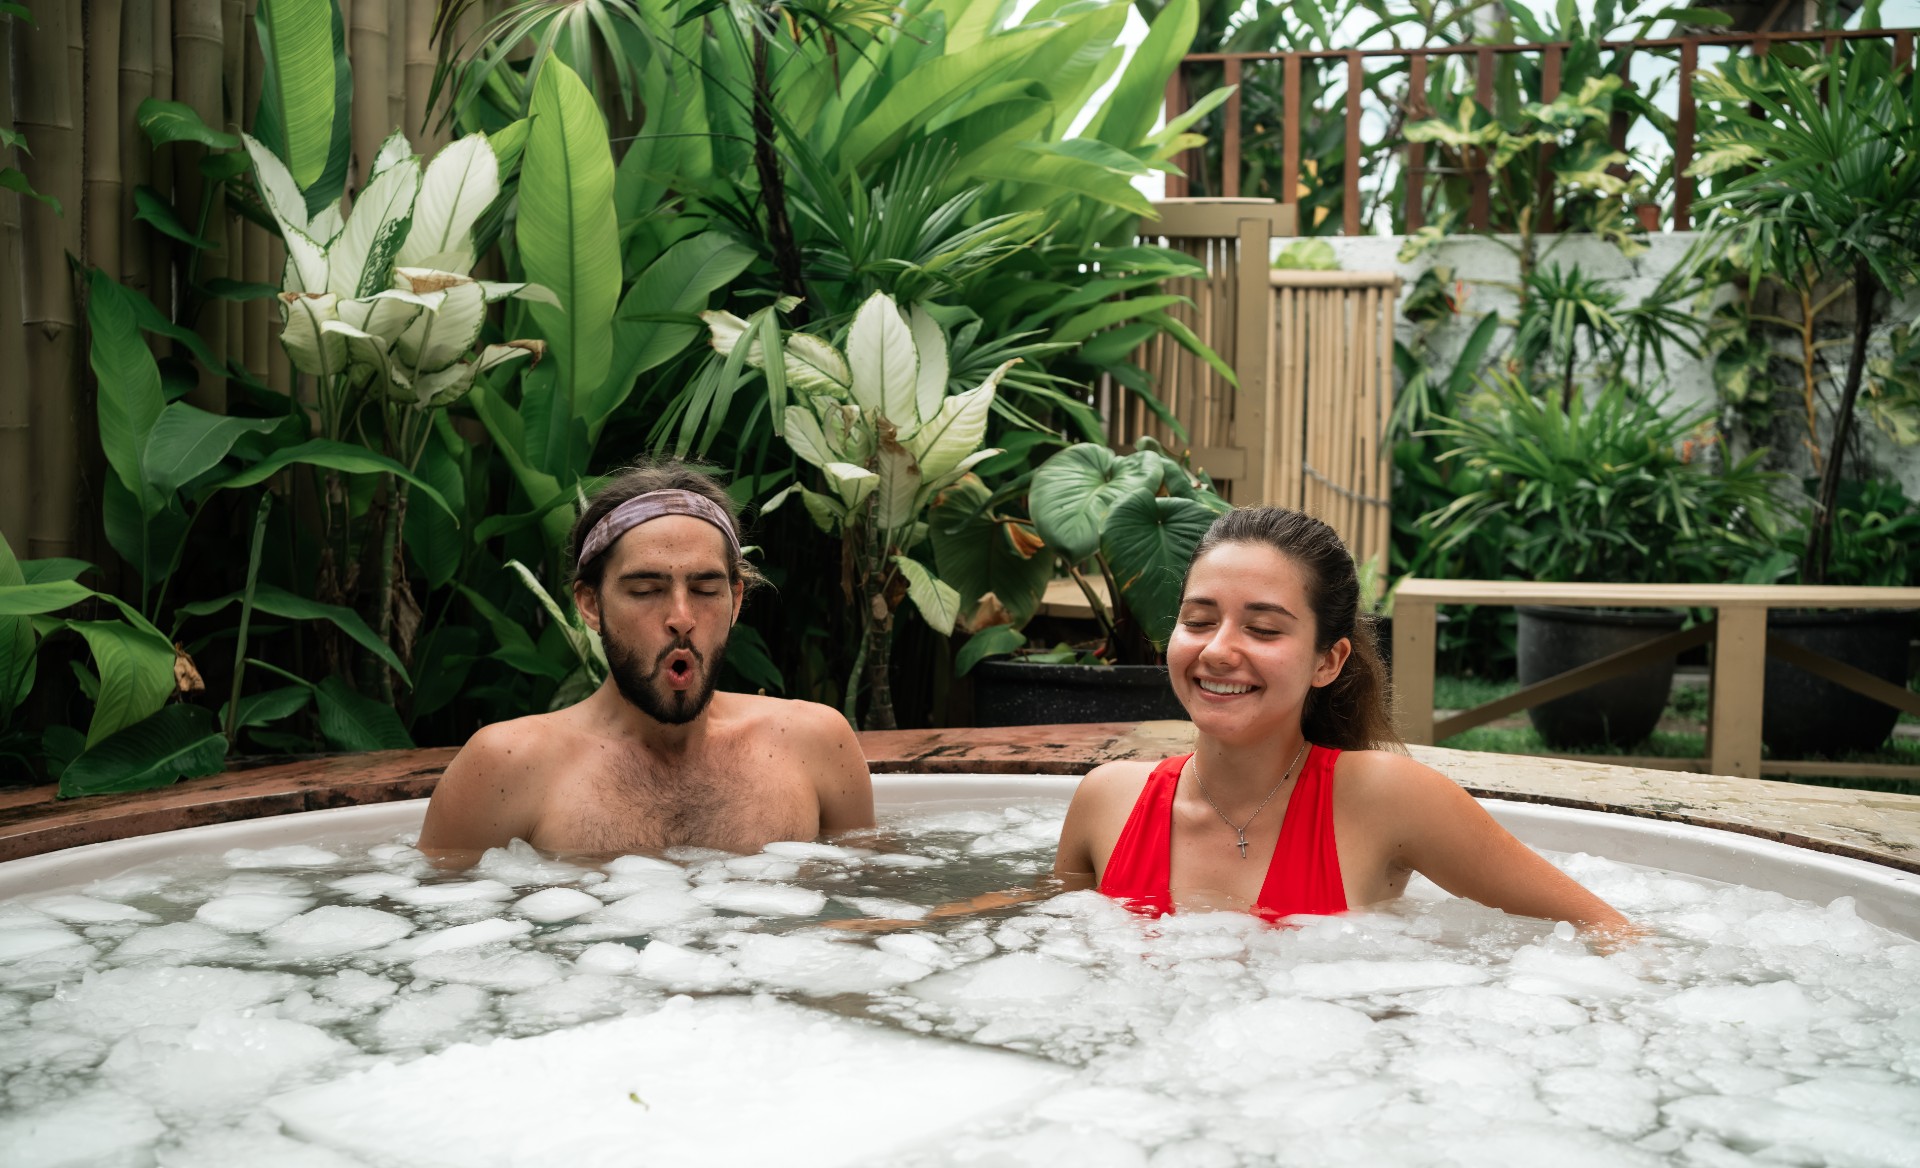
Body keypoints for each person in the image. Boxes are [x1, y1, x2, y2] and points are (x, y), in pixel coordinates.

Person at [1053, 506, 1634, 937]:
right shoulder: (1108, 799)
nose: (1218, 650)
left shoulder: (1384, 797)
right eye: (1198, 620)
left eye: (1263, 629)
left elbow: (1608, 930)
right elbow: (1051, 939)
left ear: (1327, 662)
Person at [418, 460, 874, 863]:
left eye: (705, 590)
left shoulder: (815, 744)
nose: (681, 618)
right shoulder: (509, 766)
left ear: (736, 600)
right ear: (591, 604)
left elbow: (867, 905)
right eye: (645, 590)